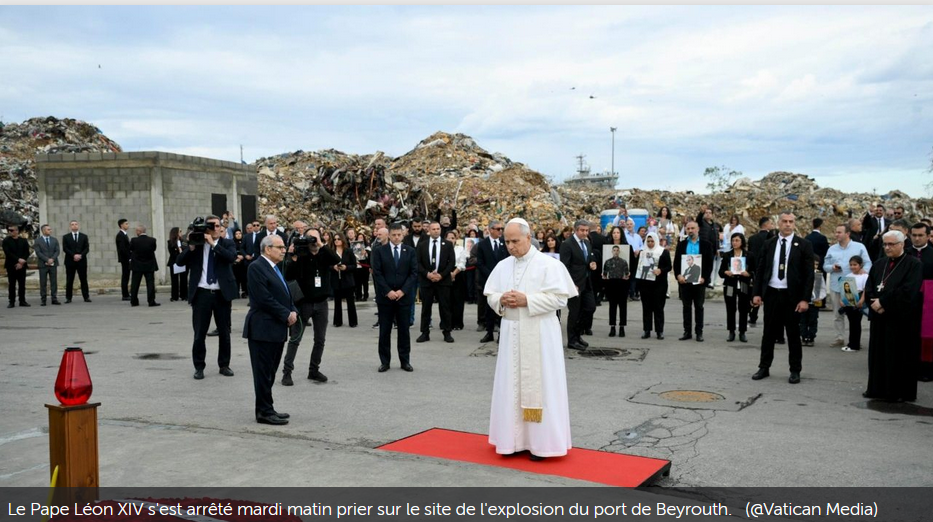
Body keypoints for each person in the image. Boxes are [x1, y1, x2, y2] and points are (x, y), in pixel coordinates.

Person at [485, 218, 577, 461]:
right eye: (506, 241)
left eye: (515, 241)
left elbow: (560, 300)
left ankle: (542, 444)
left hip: (540, 333)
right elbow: (490, 295)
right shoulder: (503, 265)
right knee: (510, 386)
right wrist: (500, 300)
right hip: (511, 332)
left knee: (543, 386)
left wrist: (528, 300)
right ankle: (512, 441)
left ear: (528, 237)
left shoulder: (548, 264)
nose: (511, 246)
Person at [751, 211, 815, 384]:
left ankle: (795, 370)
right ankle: (764, 367)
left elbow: (809, 275)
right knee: (768, 333)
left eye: (791, 221)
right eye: (784, 221)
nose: (788, 224)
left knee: (793, 334)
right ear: (778, 223)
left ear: (794, 224)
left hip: (792, 296)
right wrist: (757, 293)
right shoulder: (769, 244)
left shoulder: (804, 245)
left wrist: (804, 299)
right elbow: (761, 269)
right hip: (772, 292)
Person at [175, 214, 238, 380]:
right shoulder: (197, 244)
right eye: (211, 226)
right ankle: (199, 366)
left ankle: (224, 365)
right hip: (202, 293)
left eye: (218, 226)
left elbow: (231, 258)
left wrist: (214, 244)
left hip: (221, 294)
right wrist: (191, 247)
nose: (215, 229)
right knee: (199, 333)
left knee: (224, 332)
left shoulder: (227, 243)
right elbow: (179, 262)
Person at [244, 234, 297, 425]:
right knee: (263, 373)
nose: (284, 250)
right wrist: (286, 314)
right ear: (268, 249)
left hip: (275, 329)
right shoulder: (256, 267)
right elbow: (263, 298)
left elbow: (284, 293)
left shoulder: (273, 267)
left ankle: (268, 407)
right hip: (262, 329)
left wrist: (292, 309)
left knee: (270, 372)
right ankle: (263, 412)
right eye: (280, 247)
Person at [864, 230, 922, 402]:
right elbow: (870, 287)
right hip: (879, 318)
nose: (887, 248)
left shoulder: (914, 264)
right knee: (878, 354)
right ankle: (876, 389)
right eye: (885, 244)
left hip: (900, 319)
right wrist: (873, 302)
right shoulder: (879, 263)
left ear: (902, 244)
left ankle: (897, 392)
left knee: (898, 356)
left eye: (891, 244)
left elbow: (908, 290)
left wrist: (883, 303)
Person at [281, 228, 341, 385]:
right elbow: (288, 275)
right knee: (295, 338)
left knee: (320, 339)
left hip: (322, 303)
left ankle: (313, 370)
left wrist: (321, 245)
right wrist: (292, 257)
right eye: (310, 238)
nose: (313, 241)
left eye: (316, 237)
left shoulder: (324, 253)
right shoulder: (301, 255)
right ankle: (287, 372)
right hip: (304, 303)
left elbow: (336, 260)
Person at [371, 223, 419, 372]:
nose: (396, 237)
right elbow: (377, 273)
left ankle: (405, 361)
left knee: (404, 330)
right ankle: (385, 361)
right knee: (385, 330)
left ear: (403, 235)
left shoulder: (410, 251)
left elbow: (413, 273)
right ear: (389, 235)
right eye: (394, 235)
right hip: (385, 298)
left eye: (399, 235)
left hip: (403, 298)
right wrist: (388, 291)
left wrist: (402, 291)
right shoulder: (379, 251)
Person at [823, 223, 872, 348]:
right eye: (836, 232)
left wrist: (863, 272)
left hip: (853, 286)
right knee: (837, 313)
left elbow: (867, 263)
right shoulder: (832, 249)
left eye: (839, 232)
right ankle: (839, 337)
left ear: (847, 234)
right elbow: (825, 265)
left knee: (854, 316)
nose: (836, 234)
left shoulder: (859, 247)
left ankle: (854, 340)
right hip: (837, 284)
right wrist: (832, 267)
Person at [673, 220, 713, 342]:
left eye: (692, 228)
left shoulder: (706, 244)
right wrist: (678, 275)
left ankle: (699, 332)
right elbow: (676, 263)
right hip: (685, 281)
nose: (690, 231)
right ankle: (687, 331)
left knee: (699, 307)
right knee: (686, 306)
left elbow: (709, 264)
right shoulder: (682, 244)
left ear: (698, 229)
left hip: (699, 281)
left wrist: (704, 278)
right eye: (688, 228)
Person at [416, 222, 456, 343]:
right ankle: (424, 332)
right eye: (433, 229)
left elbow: (451, 262)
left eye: (438, 229)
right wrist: (427, 274)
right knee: (426, 307)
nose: (436, 231)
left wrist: (441, 275)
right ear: (429, 230)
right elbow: (417, 262)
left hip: (443, 281)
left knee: (445, 307)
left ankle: (447, 332)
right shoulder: (422, 245)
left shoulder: (448, 244)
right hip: (427, 281)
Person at [560, 219, 597, 350]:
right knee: (574, 312)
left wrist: (592, 263)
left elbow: (588, 258)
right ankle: (572, 340)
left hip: (586, 282)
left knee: (590, 308)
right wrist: (570, 284)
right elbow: (564, 266)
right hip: (574, 284)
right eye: (582, 230)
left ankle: (578, 334)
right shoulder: (567, 244)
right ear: (575, 230)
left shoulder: (587, 243)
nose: (585, 233)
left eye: (586, 230)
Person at [906, 223, 933, 381]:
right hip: (909, 300)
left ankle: (927, 370)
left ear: (928, 236)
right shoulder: (905, 254)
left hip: (929, 302)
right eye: (914, 235)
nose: (916, 238)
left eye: (920, 235)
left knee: (927, 337)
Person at [475, 221, 509, 343]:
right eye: (498, 229)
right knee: (489, 308)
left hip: (502, 280)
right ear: (490, 230)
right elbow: (480, 263)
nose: (500, 231)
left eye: (502, 228)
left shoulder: (504, 243)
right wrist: (491, 275)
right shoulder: (483, 244)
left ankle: (501, 333)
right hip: (488, 279)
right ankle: (489, 332)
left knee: (502, 306)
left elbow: (508, 260)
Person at [720, 232, 755, 343]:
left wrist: (748, 274)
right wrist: (726, 272)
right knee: (730, 308)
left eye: (737, 240)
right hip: (730, 284)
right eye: (733, 240)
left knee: (743, 308)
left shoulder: (749, 255)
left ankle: (742, 332)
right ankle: (731, 331)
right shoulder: (727, 255)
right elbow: (720, 272)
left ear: (742, 242)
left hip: (744, 284)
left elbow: (755, 270)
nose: (734, 243)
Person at [638, 233, 671, 339]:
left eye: (652, 241)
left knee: (658, 308)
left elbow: (669, 266)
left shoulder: (663, 252)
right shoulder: (643, 252)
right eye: (648, 241)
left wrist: (660, 270)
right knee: (646, 308)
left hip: (659, 284)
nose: (650, 243)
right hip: (645, 284)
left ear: (656, 241)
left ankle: (659, 331)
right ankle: (646, 330)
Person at [603, 227, 633, 338]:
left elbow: (631, 266)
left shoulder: (627, 252)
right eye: (614, 233)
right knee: (612, 305)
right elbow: (604, 271)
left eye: (618, 232)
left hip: (623, 283)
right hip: (611, 283)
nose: (616, 235)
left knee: (623, 305)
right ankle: (612, 326)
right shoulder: (608, 259)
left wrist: (629, 275)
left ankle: (622, 327)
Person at [747, 216, 775, 327]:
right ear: (766, 224)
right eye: (771, 223)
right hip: (768, 269)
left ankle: (753, 315)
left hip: (755, 269)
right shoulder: (771, 238)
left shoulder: (752, 238)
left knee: (755, 292)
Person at [838, 256, 868, 352]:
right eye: (851, 265)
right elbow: (844, 290)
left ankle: (854, 345)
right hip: (849, 300)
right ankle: (852, 343)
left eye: (855, 265)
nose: (853, 267)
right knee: (852, 322)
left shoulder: (865, 276)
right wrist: (842, 300)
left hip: (858, 299)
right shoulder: (848, 276)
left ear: (860, 265)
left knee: (856, 323)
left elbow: (865, 290)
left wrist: (862, 300)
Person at [331, 232, 358, 328]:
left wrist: (346, 267)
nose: (336, 241)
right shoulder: (332, 252)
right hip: (336, 280)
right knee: (337, 302)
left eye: (338, 239)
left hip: (347, 280)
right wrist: (333, 267)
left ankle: (353, 321)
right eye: (335, 239)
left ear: (342, 240)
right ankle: (338, 321)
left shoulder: (348, 251)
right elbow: (327, 265)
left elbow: (354, 265)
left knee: (350, 301)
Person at [799, 258, 827, 348]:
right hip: (803, 301)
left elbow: (822, 288)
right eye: (812, 264)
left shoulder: (818, 275)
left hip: (815, 302)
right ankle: (803, 336)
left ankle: (811, 337)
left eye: (816, 265)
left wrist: (820, 297)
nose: (814, 266)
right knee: (802, 320)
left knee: (813, 320)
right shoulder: (802, 274)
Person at [129, 224, 159, 307]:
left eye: (136, 231)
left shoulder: (134, 240)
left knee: (135, 283)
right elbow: (153, 249)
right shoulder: (152, 240)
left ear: (139, 231)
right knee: (150, 284)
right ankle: (151, 301)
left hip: (137, 265)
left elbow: (131, 249)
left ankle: (134, 301)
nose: (136, 232)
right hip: (149, 265)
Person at [62, 220, 91, 303]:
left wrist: (80, 255)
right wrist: (73, 255)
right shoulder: (66, 237)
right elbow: (65, 248)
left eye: (76, 224)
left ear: (78, 226)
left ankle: (86, 297)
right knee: (69, 279)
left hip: (81, 261)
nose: (74, 226)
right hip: (70, 261)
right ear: (70, 227)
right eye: (72, 224)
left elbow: (86, 248)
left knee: (83, 279)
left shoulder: (84, 236)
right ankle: (68, 298)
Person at [3, 225, 31, 307]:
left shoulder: (23, 241)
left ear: (17, 231)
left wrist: (21, 262)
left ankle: (22, 300)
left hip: (22, 265)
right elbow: (8, 253)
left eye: (12, 230)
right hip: (11, 265)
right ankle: (11, 301)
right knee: (12, 284)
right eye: (9, 230)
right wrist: (18, 259)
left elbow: (27, 252)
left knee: (22, 284)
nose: (10, 232)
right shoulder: (6, 241)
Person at [34, 224, 61, 306]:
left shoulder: (54, 240)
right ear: (43, 231)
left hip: (53, 263)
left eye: (50, 229)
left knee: (54, 282)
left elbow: (57, 251)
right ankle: (43, 299)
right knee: (43, 282)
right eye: (48, 229)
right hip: (43, 264)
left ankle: (54, 298)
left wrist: (52, 259)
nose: (50, 231)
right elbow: (38, 252)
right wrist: (47, 259)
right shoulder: (38, 241)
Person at [449, 230, 468, 331]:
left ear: (456, 239)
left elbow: (462, 263)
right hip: (445, 274)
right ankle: (447, 322)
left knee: (458, 300)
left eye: (453, 238)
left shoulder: (460, 249)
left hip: (458, 274)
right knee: (447, 300)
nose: (451, 240)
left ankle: (458, 323)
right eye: (449, 238)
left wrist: (454, 273)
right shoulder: (443, 249)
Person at [167, 227, 188, 302]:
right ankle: (174, 296)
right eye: (180, 231)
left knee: (184, 279)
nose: (181, 233)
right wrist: (178, 250)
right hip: (174, 262)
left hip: (183, 262)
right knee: (174, 280)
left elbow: (186, 250)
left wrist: (182, 250)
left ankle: (184, 295)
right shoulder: (170, 242)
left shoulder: (183, 242)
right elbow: (172, 253)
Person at [115, 218, 132, 301]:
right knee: (125, 276)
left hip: (126, 259)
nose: (127, 225)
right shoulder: (120, 235)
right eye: (126, 224)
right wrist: (129, 257)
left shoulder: (124, 234)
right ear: (121, 225)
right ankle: (125, 294)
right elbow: (123, 249)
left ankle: (126, 293)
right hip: (125, 259)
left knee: (127, 276)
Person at [232, 229, 248, 298]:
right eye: (236, 234)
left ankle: (244, 292)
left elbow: (246, 250)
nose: (238, 235)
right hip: (235, 263)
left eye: (239, 233)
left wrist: (243, 256)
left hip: (243, 263)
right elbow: (231, 251)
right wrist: (237, 257)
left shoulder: (244, 242)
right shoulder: (232, 242)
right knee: (236, 278)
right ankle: (236, 292)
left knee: (243, 278)